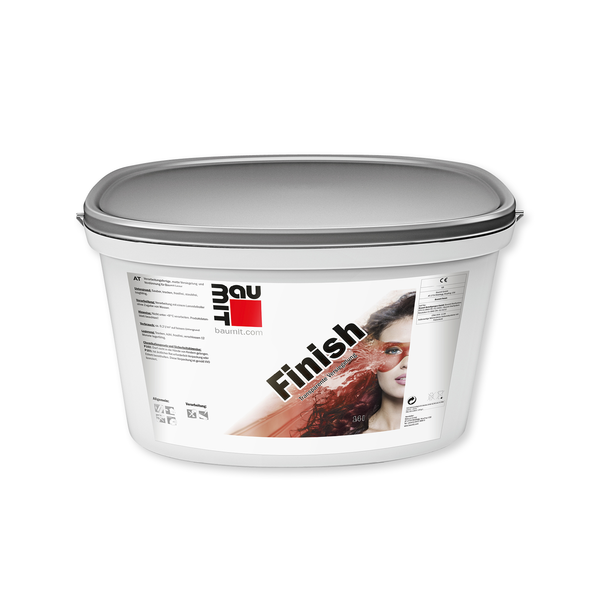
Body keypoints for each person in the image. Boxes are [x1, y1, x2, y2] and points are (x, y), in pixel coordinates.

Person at [298, 291, 415, 437]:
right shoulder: (336, 437)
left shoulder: (439, 432)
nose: (407, 363)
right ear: (373, 361)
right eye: (393, 350)